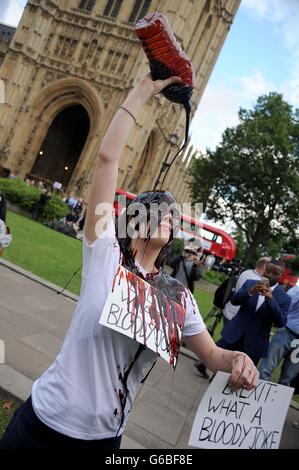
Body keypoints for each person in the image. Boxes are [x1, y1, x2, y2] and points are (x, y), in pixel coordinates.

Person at [0, 73, 259, 449]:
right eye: (161, 209)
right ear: (136, 217)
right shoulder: (105, 254)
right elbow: (107, 159)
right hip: (44, 421)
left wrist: (238, 359)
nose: (170, 215)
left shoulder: (178, 297)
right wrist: (142, 92)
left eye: (175, 214)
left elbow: (211, 354)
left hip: (104, 439)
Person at [194, 257, 271, 378]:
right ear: (264, 267)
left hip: (230, 311)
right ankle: (214, 370)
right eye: (269, 268)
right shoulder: (256, 280)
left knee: (226, 342)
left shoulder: (247, 273)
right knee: (229, 345)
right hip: (236, 315)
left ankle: (205, 364)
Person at [218, 259, 291, 365]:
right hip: (233, 336)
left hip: (254, 345)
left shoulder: (284, 298)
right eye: (268, 271)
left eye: (274, 274)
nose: (270, 275)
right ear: (264, 269)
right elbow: (234, 301)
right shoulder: (250, 284)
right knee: (219, 372)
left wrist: (271, 300)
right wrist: (250, 292)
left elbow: (281, 322)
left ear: (280, 276)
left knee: (238, 378)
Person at [259, 285, 299, 385]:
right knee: (266, 368)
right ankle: (255, 397)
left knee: (288, 378)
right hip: (287, 331)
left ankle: (278, 400)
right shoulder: (297, 289)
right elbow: (287, 304)